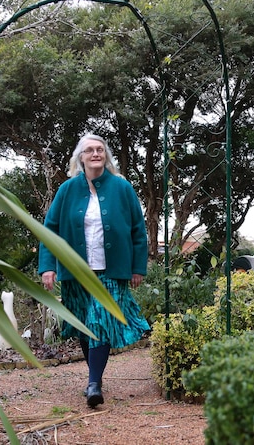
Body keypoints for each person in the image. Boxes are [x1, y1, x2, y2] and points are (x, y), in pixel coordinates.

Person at [38, 134, 150, 408]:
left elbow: (138, 229)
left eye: (100, 149)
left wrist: (137, 267)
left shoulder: (122, 188)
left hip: (111, 271)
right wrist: (48, 267)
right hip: (76, 271)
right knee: (83, 326)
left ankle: (93, 384)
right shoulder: (67, 190)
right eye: (90, 150)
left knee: (99, 321)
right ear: (81, 157)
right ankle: (95, 378)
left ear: (106, 156)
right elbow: (49, 229)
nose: (96, 153)